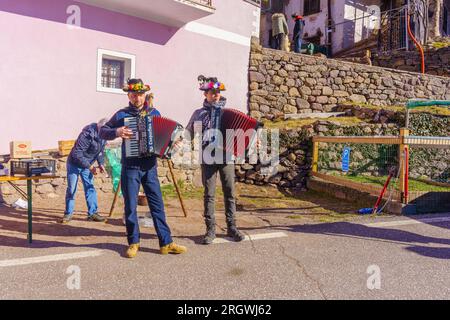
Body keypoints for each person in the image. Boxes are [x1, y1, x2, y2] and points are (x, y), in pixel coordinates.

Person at [99, 78, 187, 258]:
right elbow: (102, 131)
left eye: (139, 94)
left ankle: (166, 242)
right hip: (130, 166)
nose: (137, 98)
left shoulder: (154, 112)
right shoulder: (121, 115)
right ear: (129, 96)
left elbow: (167, 136)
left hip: (149, 166)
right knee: (130, 206)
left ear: (144, 95)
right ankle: (133, 242)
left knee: (157, 205)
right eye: (133, 95)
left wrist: (173, 143)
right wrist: (117, 132)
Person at [185, 76, 245, 245]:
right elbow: (189, 133)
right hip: (208, 157)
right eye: (212, 92)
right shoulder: (199, 113)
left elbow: (243, 131)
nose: (215, 95)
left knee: (230, 193)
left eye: (218, 92)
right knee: (209, 194)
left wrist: (253, 139)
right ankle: (210, 230)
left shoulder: (229, 112)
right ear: (205, 94)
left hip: (226, 157)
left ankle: (232, 227)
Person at [62, 119, 108, 224]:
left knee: (90, 187)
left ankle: (92, 213)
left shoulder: (105, 135)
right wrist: (90, 166)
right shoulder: (86, 134)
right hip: (74, 164)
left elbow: (101, 151)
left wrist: (101, 163)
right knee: (72, 189)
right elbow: (77, 153)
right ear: (99, 127)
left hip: (87, 164)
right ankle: (68, 213)